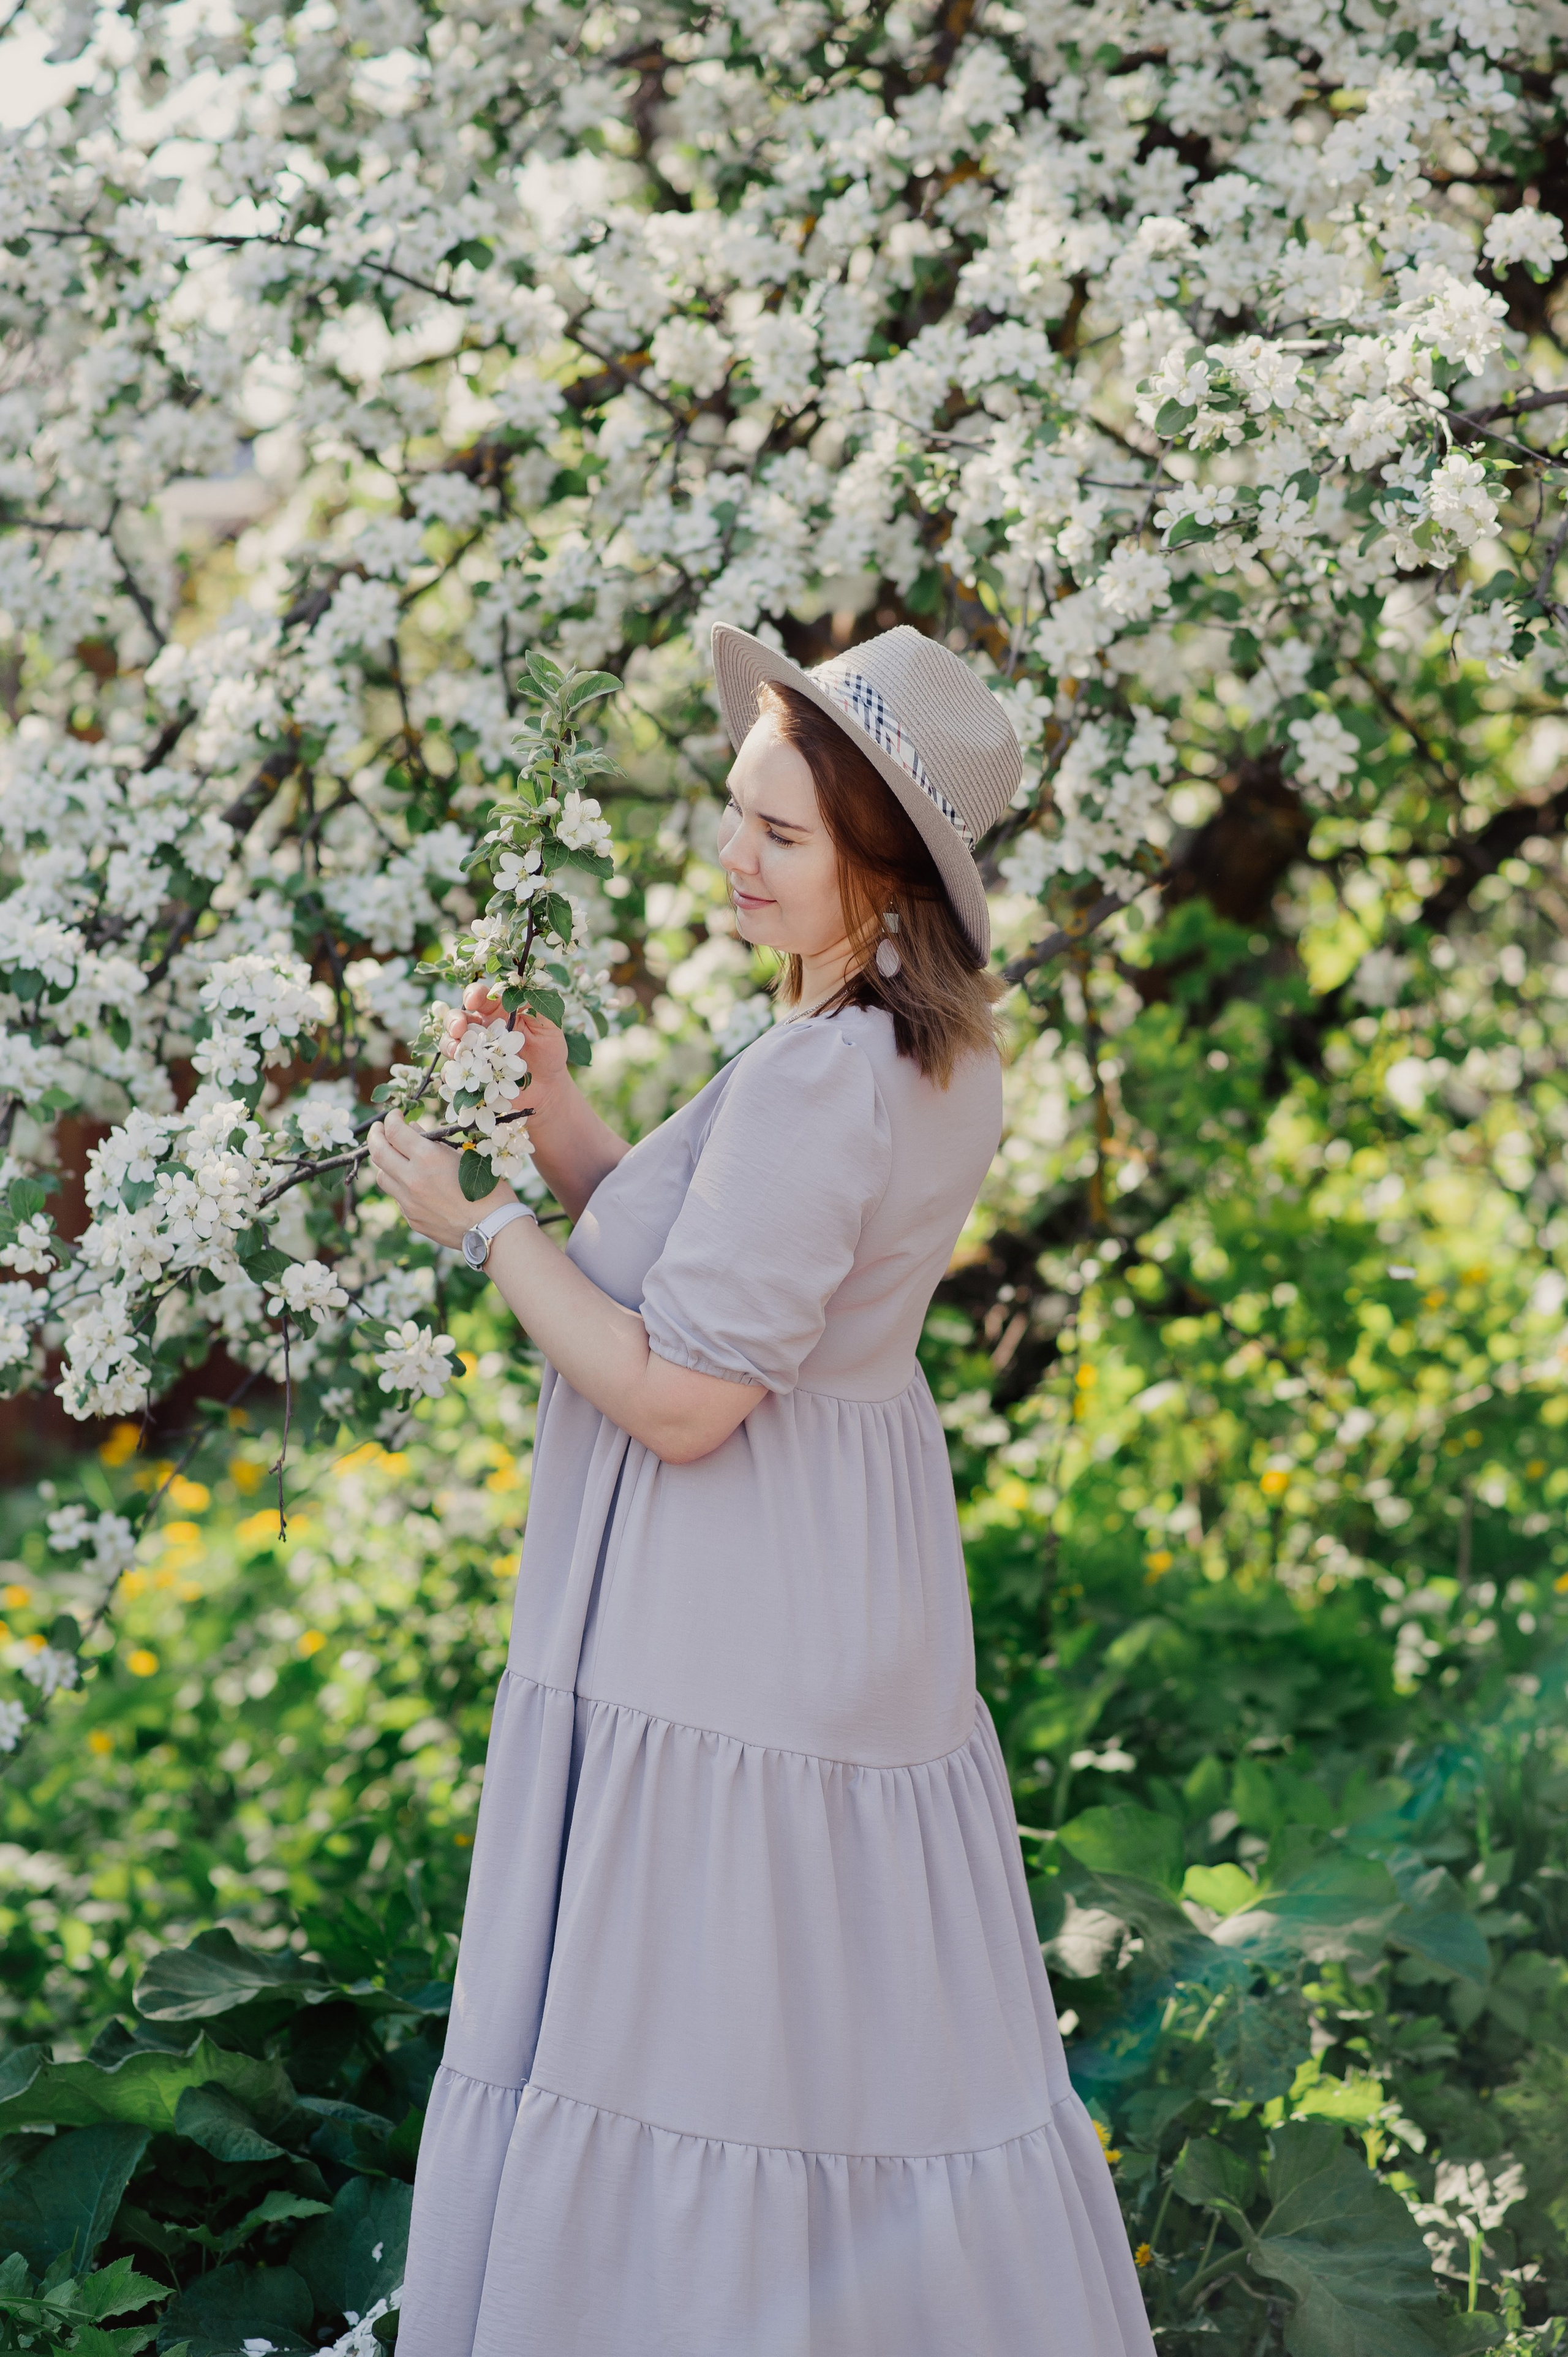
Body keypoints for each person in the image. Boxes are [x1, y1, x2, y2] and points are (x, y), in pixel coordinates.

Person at [372, 623, 1155, 2357]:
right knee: (831, 2034)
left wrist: (484, 1226)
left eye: (781, 836)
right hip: (836, 1570)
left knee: (699, 2034)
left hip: (735, 1605)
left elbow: (678, 1395)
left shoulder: (826, 1077)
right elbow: (719, 1276)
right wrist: (567, 1123)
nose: (736, 855)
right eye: (739, 811)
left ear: (884, 865)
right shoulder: (912, 1047)